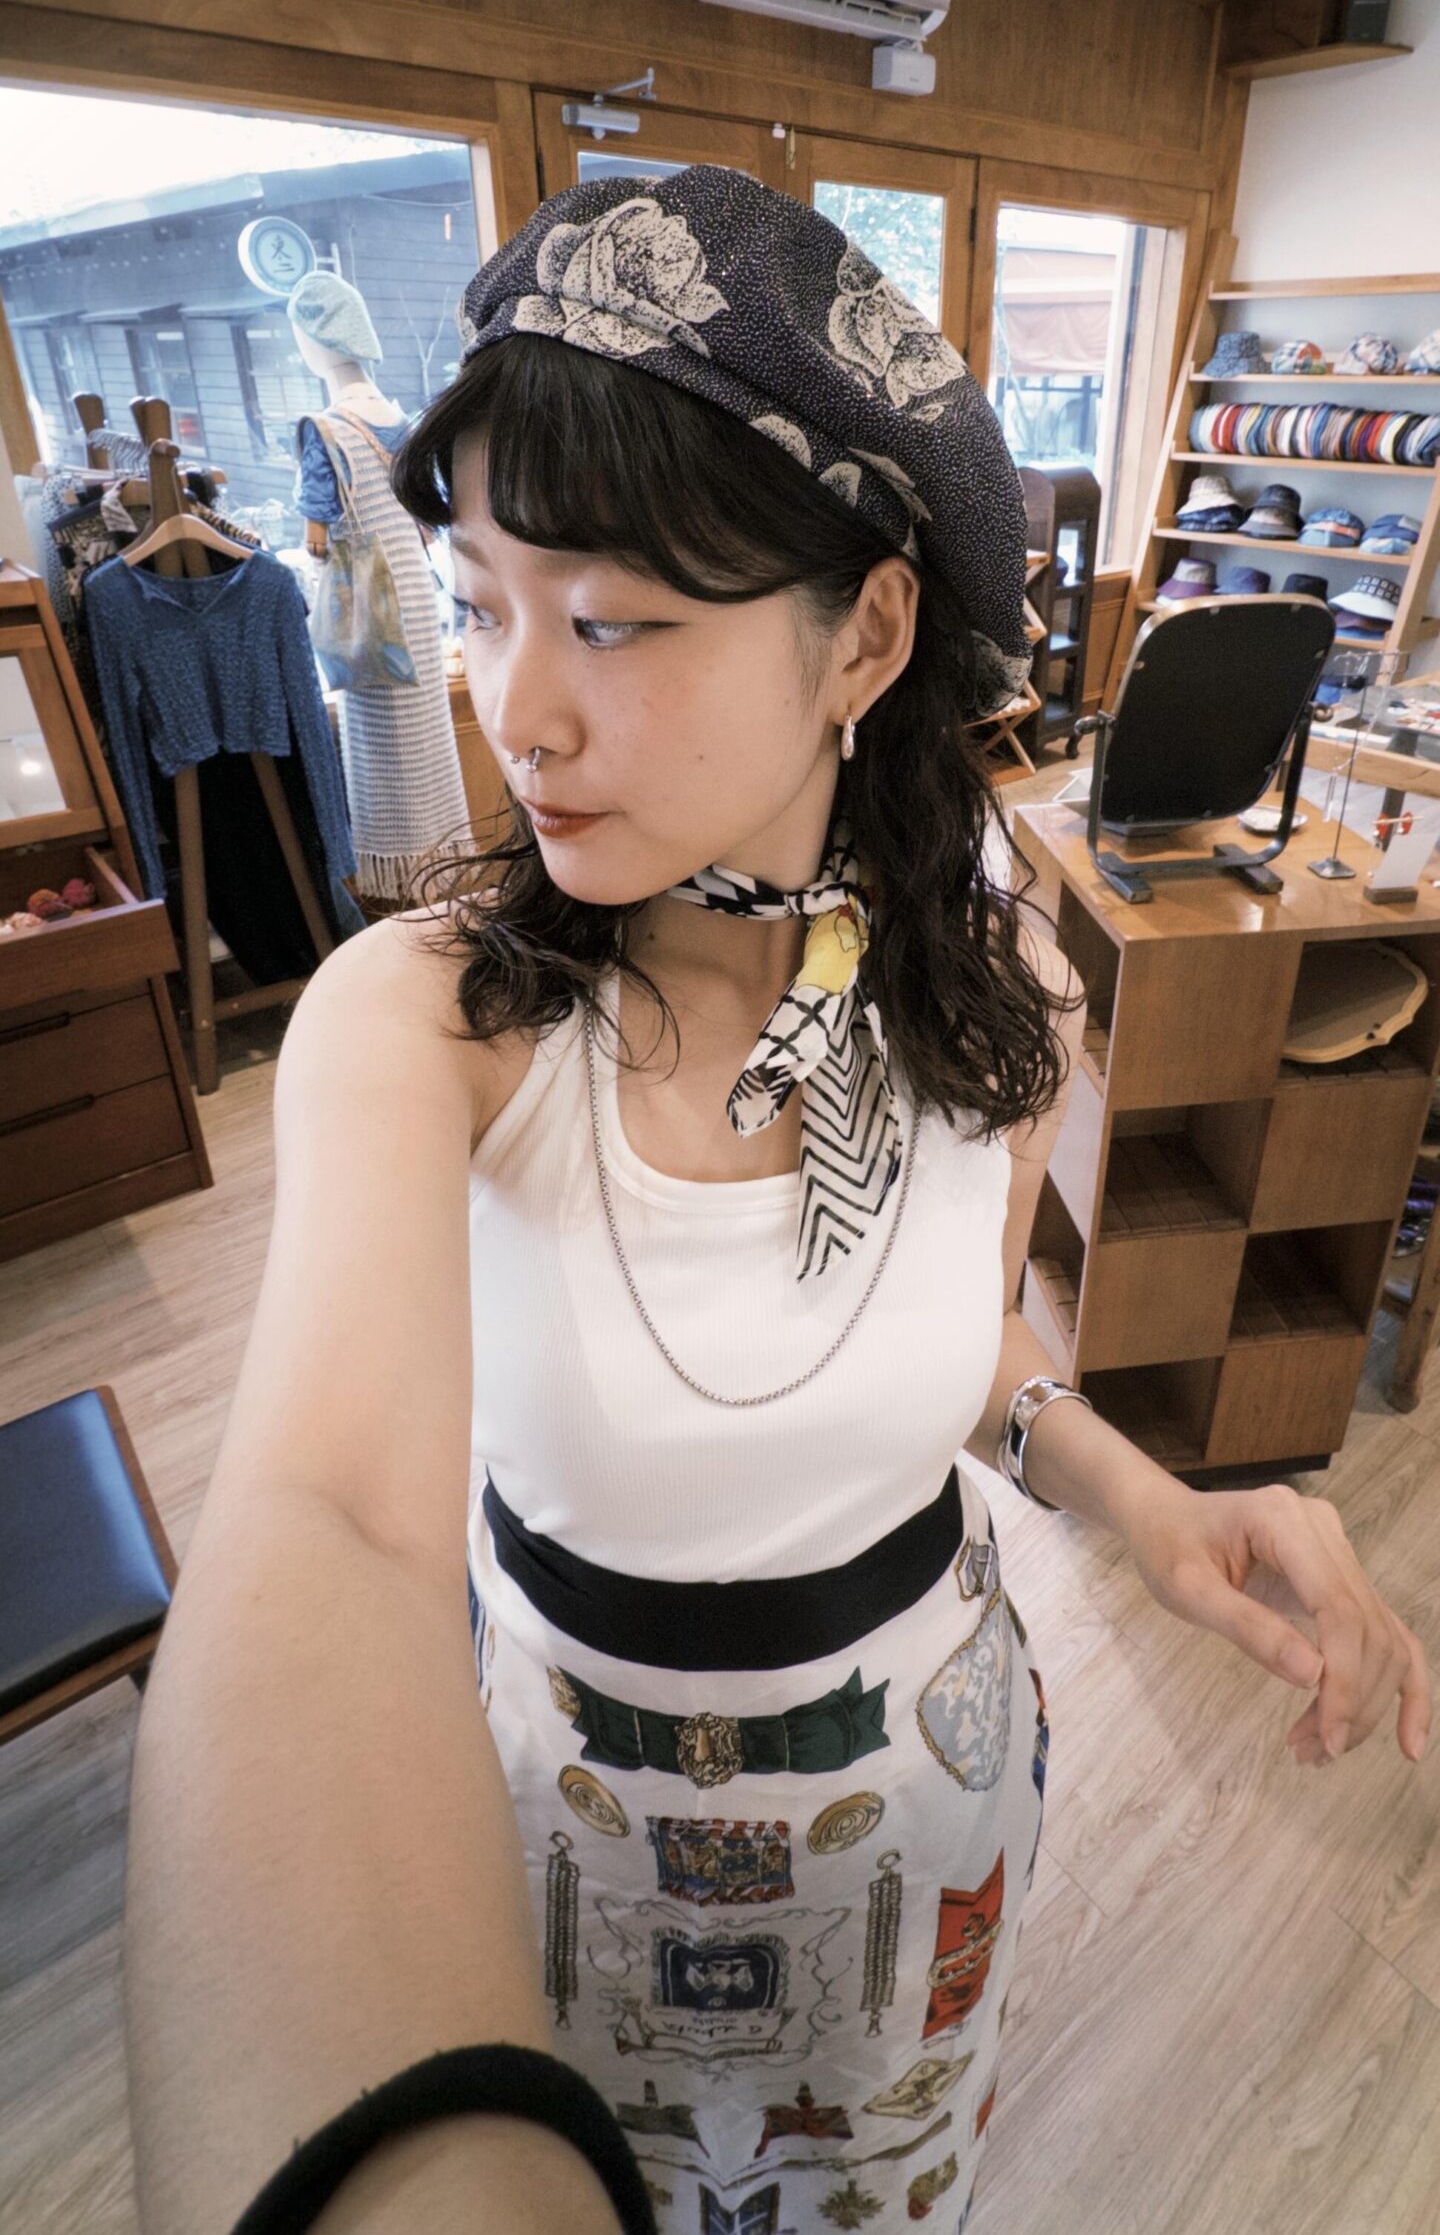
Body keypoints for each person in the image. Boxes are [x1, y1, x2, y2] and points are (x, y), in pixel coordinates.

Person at [124, 169, 1430, 2235]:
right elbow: (332, 1526)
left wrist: (1149, 1501)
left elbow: (961, 1349)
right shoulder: (431, 1022)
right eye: (483, 602)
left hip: (926, 1798)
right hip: (555, 1822)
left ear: (868, 636)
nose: (515, 708)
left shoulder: (1001, 973)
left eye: (610, 620)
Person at [289, 269, 470, 906]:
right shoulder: (401, 419)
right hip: (417, 599)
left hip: (368, 610)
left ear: (315, 343)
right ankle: (443, 873)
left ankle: (400, 889)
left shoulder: (324, 429)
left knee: (382, 754)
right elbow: (426, 514)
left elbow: (318, 535)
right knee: (428, 747)